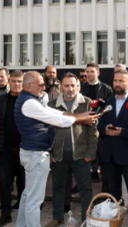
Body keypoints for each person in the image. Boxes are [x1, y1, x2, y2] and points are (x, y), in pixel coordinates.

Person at [14, 71, 96, 227]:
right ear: (30, 86)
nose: (44, 88)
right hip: (35, 154)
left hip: (32, 153)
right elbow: (56, 119)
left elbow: (55, 112)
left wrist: (80, 116)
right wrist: (82, 118)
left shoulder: (31, 99)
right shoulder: (30, 102)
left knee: (27, 194)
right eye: (41, 85)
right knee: (34, 200)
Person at [47, 73, 98, 227]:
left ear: (78, 87)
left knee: (85, 188)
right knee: (58, 187)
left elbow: (93, 131)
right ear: (61, 87)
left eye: (73, 85)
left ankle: (86, 219)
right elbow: (47, 132)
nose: (70, 89)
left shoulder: (87, 103)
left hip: (81, 155)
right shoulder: (52, 105)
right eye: (66, 85)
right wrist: (49, 152)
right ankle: (58, 217)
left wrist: (90, 154)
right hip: (58, 155)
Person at [98, 69, 128, 227]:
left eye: (121, 81)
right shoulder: (107, 102)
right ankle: (115, 220)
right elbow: (99, 124)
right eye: (115, 81)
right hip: (111, 154)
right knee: (113, 191)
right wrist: (105, 129)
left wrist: (123, 132)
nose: (117, 84)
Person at [0, 70, 25, 227]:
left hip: (25, 150)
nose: (17, 84)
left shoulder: (30, 100)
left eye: (20, 81)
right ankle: (5, 214)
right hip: (4, 150)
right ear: (9, 81)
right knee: (4, 183)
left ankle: (24, 215)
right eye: (14, 81)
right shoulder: (0, 100)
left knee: (24, 183)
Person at [81, 63, 114, 185]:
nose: (89, 74)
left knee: (102, 154)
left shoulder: (106, 89)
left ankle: (106, 182)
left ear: (98, 73)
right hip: (84, 124)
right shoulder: (81, 88)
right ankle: (85, 181)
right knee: (84, 154)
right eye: (87, 72)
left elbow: (110, 107)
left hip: (100, 125)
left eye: (92, 71)